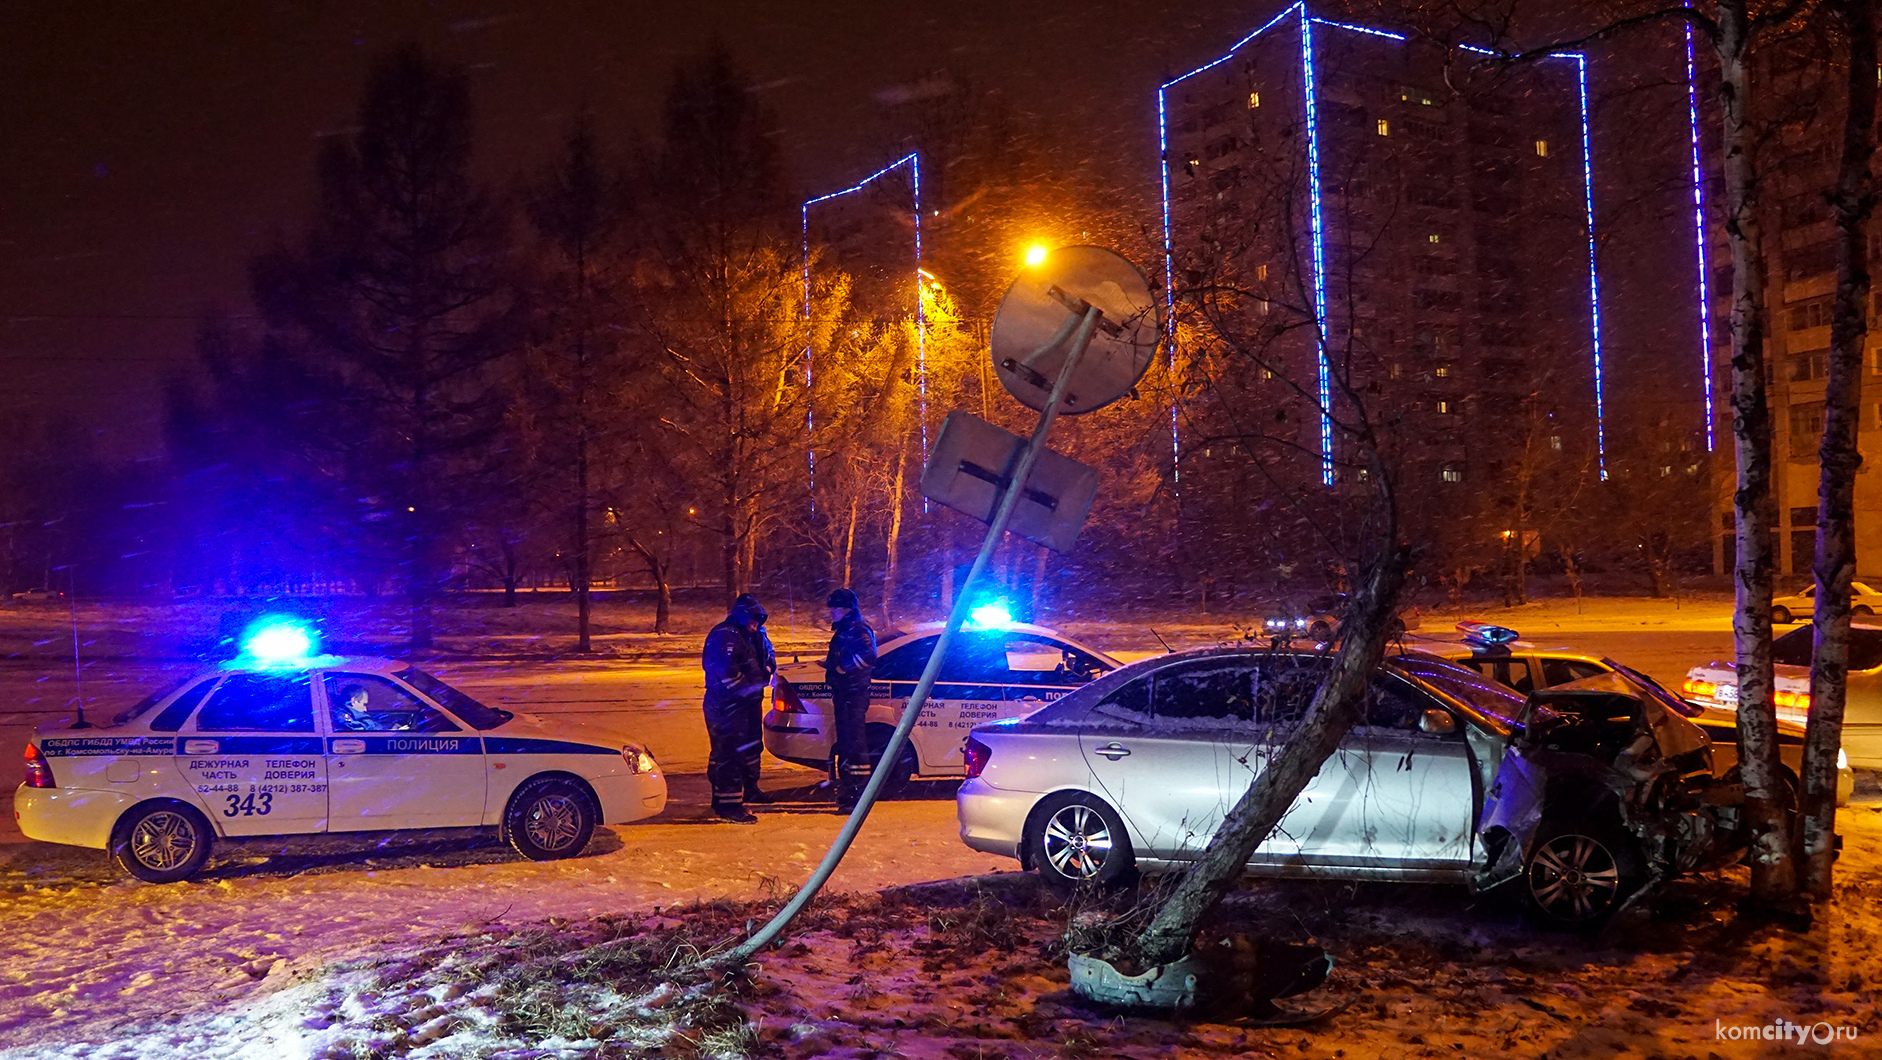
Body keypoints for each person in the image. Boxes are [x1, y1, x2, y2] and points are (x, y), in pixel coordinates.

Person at [702, 595, 772, 823]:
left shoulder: (752, 634)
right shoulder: (725, 635)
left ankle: (748, 788)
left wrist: (769, 666)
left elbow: (766, 656)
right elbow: (726, 671)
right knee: (728, 752)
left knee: (750, 747)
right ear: (743, 616)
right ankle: (728, 804)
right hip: (727, 705)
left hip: (747, 703)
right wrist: (743, 691)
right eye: (753, 620)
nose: (757, 625)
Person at [823, 588, 878, 813]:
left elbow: (868, 656)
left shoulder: (856, 628)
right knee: (848, 743)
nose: (831, 612)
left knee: (853, 744)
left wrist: (842, 668)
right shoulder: (849, 627)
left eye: (835, 608)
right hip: (847, 694)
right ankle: (850, 793)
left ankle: (856, 794)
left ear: (846, 608)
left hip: (852, 694)